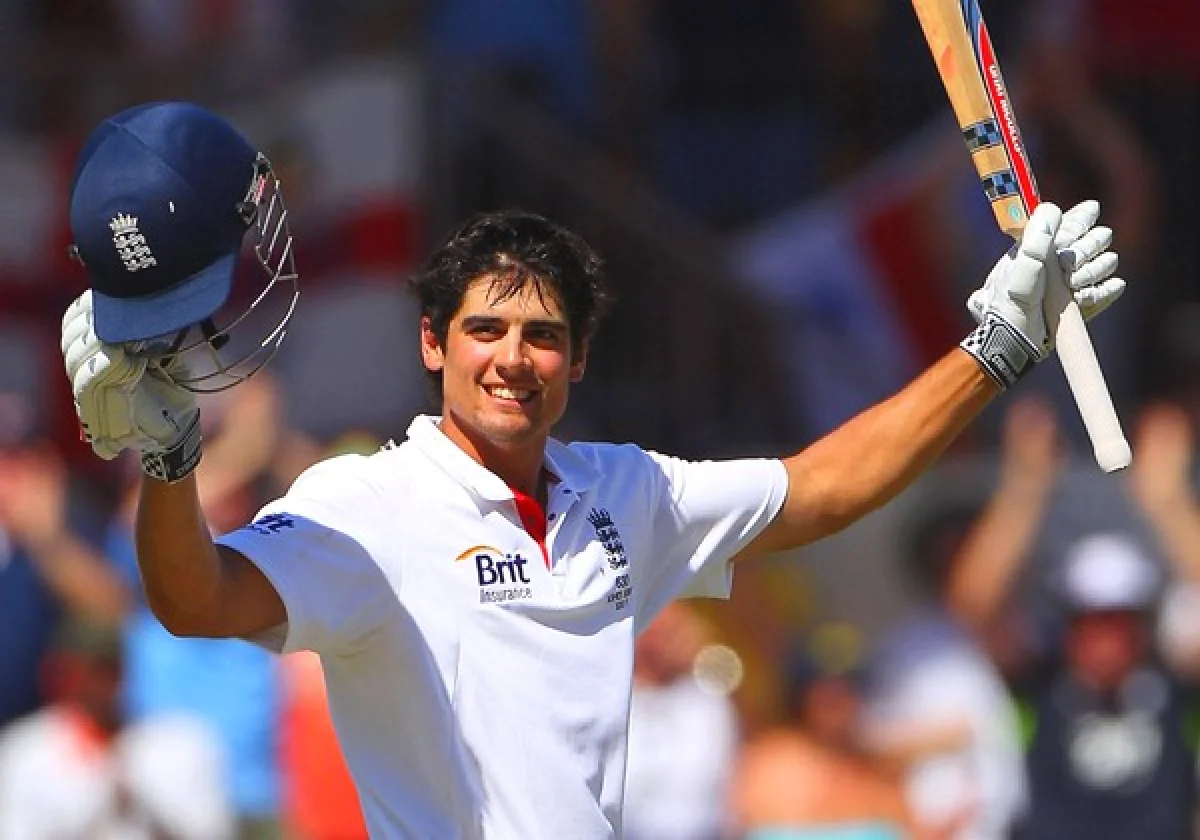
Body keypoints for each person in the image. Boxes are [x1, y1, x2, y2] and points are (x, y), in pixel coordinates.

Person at [57, 100, 1124, 838]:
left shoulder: (628, 493)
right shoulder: (368, 505)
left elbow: (824, 487)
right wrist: (171, 458)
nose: (512, 359)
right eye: (484, 330)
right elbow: (195, 600)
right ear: (432, 344)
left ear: (576, 360)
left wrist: (997, 350)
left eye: (543, 335)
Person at [943, 398, 1200, 840]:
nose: (1105, 637)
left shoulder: (1177, 689)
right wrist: (1024, 490)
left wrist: (1168, 501)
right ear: (1067, 625)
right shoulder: (1036, 687)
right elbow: (972, 606)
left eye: (1120, 620)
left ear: (1143, 624)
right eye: (1089, 621)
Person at [0, 614, 233, 840]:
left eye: (110, 669)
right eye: (89, 672)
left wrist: (141, 809)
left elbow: (213, 832)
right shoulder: (24, 752)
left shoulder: (181, 742)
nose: (101, 684)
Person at [623, 601, 738, 840]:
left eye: (670, 633)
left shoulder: (708, 702)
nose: (659, 644)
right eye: (651, 633)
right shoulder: (613, 700)